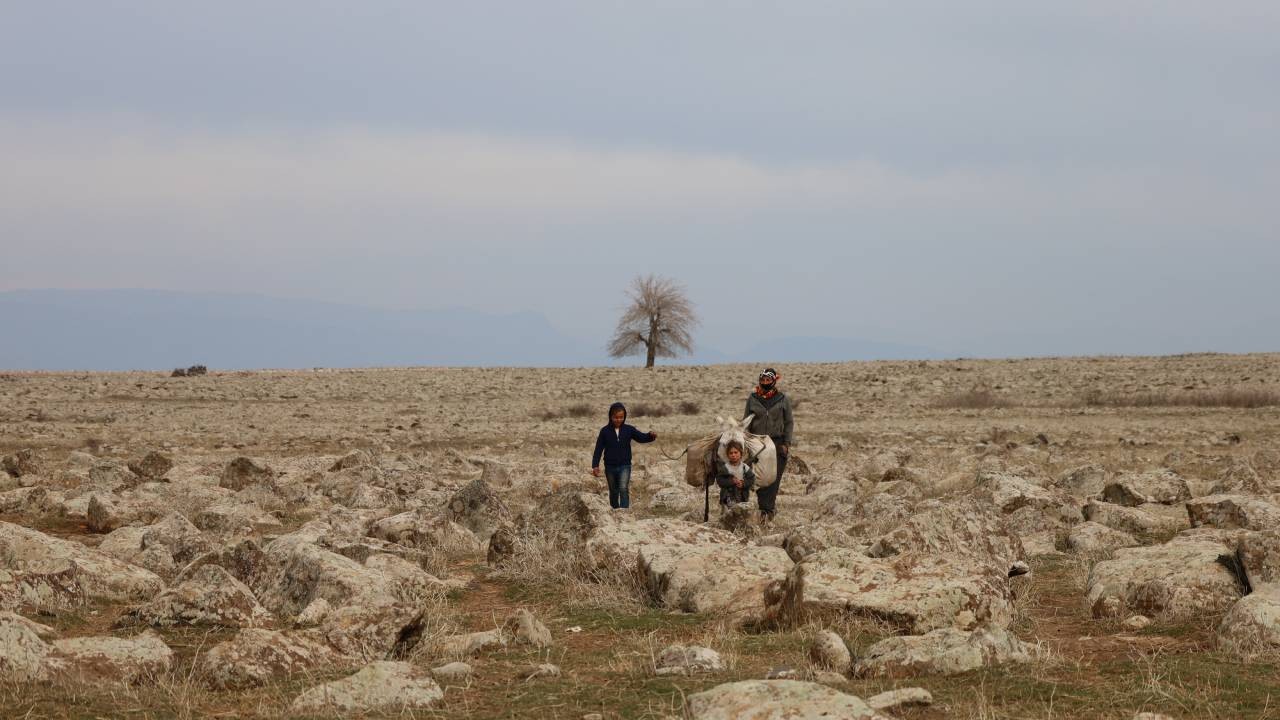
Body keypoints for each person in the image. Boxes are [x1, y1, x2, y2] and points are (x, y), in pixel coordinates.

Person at [744, 367, 794, 522]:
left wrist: (786, 442)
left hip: (777, 443)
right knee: (759, 477)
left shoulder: (782, 399)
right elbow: (746, 420)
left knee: (773, 478)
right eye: (763, 380)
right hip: (757, 443)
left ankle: (767, 511)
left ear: (774, 381)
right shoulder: (752, 398)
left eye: (768, 380)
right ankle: (761, 508)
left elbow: (789, 422)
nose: (765, 382)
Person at [590, 402, 656, 509]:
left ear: (624, 417)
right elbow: (598, 449)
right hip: (610, 466)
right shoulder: (604, 431)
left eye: (621, 417)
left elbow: (641, 437)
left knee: (623, 488)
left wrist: (650, 436)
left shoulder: (629, 430)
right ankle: (615, 511)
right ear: (610, 417)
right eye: (615, 417)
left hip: (625, 465)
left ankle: (624, 512)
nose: (618, 420)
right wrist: (595, 465)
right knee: (613, 490)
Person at [715, 439, 755, 507]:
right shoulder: (725, 468)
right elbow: (719, 481)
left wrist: (743, 483)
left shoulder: (745, 467)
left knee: (741, 514)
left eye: (736, 452)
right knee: (729, 515)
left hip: (742, 497)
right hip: (727, 498)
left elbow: (751, 479)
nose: (733, 455)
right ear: (727, 455)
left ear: (741, 454)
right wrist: (731, 481)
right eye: (731, 453)